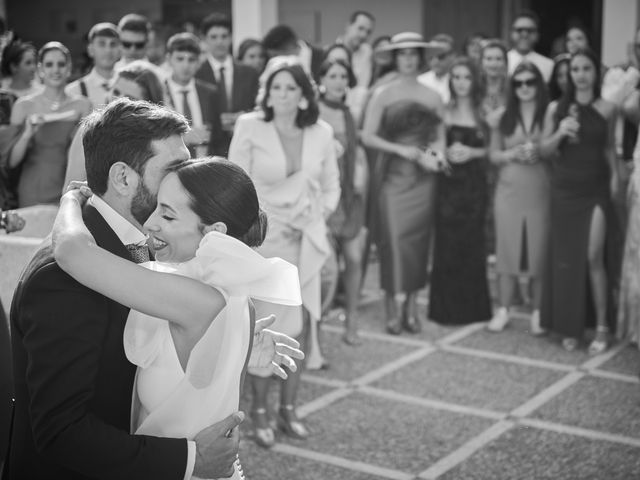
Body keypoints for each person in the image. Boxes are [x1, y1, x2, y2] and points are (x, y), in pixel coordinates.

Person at [5, 97, 303, 479]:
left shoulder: (158, 247)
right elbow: (61, 432)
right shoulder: (61, 280)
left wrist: (227, 343)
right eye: (174, 166)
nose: (186, 175)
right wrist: (190, 460)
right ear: (123, 177)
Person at [229, 57, 340, 448]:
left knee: (303, 328)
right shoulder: (249, 126)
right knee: (270, 328)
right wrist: (268, 222)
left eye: (291, 87)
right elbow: (236, 185)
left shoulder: (323, 133)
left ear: (304, 94)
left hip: (304, 243)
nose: (282, 94)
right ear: (266, 91)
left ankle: (289, 409)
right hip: (263, 242)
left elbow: (331, 187)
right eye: (275, 87)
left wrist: (314, 219)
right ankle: (259, 411)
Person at [361, 32, 447, 334]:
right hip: (393, 176)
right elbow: (367, 135)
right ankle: (390, 308)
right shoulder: (383, 93)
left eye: (413, 53)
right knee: (393, 242)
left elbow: (439, 138)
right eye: (402, 53)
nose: (408, 59)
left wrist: (433, 156)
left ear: (420, 58)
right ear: (395, 58)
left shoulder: (434, 96)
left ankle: (411, 306)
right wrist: (401, 150)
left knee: (419, 244)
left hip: (423, 179)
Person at [540, 48, 619, 353]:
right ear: (568, 75)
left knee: (594, 255)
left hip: (596, 188)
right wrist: (559, 133)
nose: (581, 74)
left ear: (596, 73)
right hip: (564, 190)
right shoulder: (555, 109)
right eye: (575, 69)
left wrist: (614, 181)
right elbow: (544, 151)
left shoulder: (608, 108)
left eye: (587, 68)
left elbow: (610, 149)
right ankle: (569, 326)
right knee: (567, 260)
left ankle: (601, 326)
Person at [487, 61, 551, 334]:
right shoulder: (502, 116)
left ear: (538, 84)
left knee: (538, 251)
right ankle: (503, 309)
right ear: (512, 87)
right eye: (519, 83)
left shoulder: (549, 112)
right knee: (507, 249)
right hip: (509, 189)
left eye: (530, 82)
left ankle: (538, 312)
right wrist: (512, 154)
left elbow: (554, 148)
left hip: (540, 187)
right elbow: (493, 155)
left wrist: (539, 150)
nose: (524, 87)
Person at [429, 57, 491, 326]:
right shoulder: (443, 110)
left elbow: (494, 150)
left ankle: (473, 310)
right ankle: (445, 311)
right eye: (456, 77)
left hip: (475, 186)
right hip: (448, 185)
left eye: (466, 77)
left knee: (473, 245)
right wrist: (443, 155)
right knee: (447, 245)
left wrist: (472, 152)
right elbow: (436, 146)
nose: (461, 82)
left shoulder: (485, 111)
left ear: (475, 79)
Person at [318, 58, 368, 345]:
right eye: (333, 75)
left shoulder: (352, 112)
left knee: (354, 258)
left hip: (350, 195)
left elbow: (356, 148)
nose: (339, 81)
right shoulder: (313, 111)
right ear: (322, 79)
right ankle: (319, 324)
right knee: (326, 267)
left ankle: (352, 318)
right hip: (327, 194)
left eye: (343, 76)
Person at [8, 41, 91, 207]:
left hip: (68, 185)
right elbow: (11, 162)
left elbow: (87, 155)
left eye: (61, 64)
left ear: (69, 68)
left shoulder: (83, 105)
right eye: (49, 64)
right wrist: (27, 134)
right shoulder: (23, 105)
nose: (55, 70)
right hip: (32, 187)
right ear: (40, 70)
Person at [63, 61, 167, 188]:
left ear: (148, 106)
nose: (118, 101)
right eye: (116, 92)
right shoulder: (89, 131)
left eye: (129, 98)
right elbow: (70, 191)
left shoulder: (160, 141)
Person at [196, 13, 259, 151]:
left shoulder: (249, 72)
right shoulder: (197, 74)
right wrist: (218, 120)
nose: (219, 42)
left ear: (231, 38)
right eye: (214, 37)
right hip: (211, 148)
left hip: (245, 142)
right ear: (204, 39)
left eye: (224, 36)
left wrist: (243, 116)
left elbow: (258, 106)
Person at [163, 32, 225, 158]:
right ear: (169, 59)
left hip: (205, 168)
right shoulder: (159, 91)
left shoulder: (210, 93)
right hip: (169, 168)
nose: (186, 65)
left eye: (191, 60)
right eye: (180, 59)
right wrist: (183, 138)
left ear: (198, 62)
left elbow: (219, 138)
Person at [66, 22, 120, 110]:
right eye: (102, 44)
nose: (108, 50)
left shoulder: (131, 88)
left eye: (113, 44)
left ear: (119, 50)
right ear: (90, 50)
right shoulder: (73, 92)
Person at [507, 11, 554, 83]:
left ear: (538, 35)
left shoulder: (549, 65)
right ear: (511, 33)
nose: (524, 34)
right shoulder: (501, 63)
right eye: (519, 30)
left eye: (530, 30)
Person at [335, 11, 375, 89]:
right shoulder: (329, 53)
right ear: (348, 26)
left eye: (368, 32)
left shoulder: (369, 53)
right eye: (360, 28)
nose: (364, 35)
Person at [418, 33, 455, 104]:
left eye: (441, 56)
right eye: (431, 56)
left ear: (452, 56)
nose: (435, 61)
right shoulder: (421, 81)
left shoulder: (459, 81)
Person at [480, 39, 509, 118]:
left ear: (505, 62)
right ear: (481, 62)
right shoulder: (473, 86)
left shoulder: (513, 87)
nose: (493, 64)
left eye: (498, 59)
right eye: (489, 59)